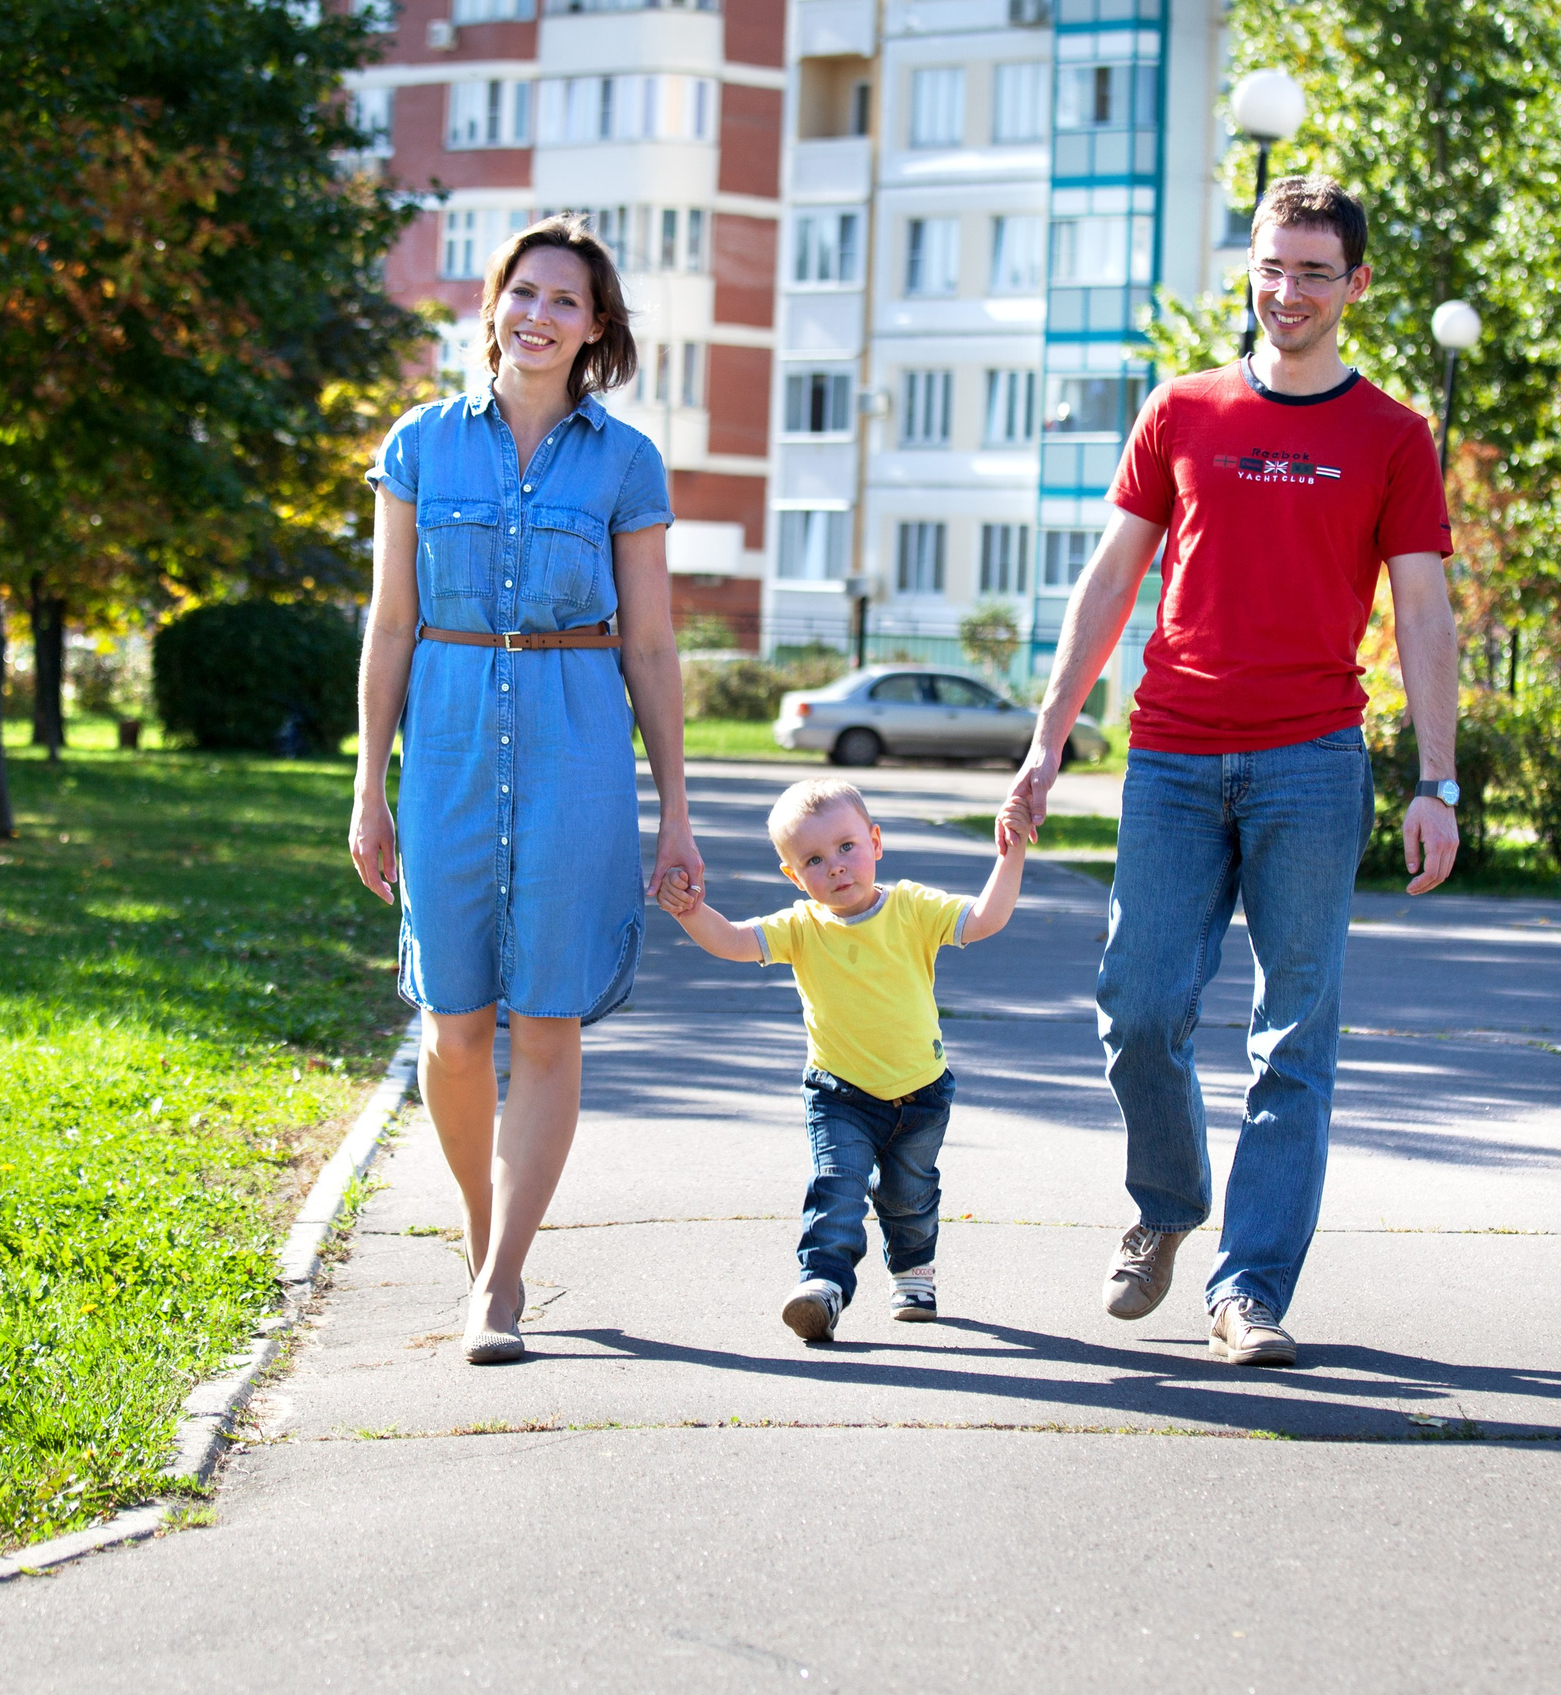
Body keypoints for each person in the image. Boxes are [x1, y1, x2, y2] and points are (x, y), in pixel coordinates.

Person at [999, 175, 1461, 1368]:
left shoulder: (1393, 437)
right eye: (1272, 264)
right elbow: (1108, 583)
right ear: (1246, 269)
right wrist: (1046, 741)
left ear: (1356, 285)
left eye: (1315, 270)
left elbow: (1423, 613)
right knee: (1136, 1011)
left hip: (1311, 761)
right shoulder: (1184, 409)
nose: (1287, 290)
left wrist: (1436, 778)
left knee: (1291, 1038)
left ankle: (1247, 1290)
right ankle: (1165, 1201)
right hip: (1172, 754)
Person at [350, 216, 702, 1366]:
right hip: (445, 743)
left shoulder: (625, 462)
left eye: (568, 302)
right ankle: (479, 1230)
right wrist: (369, 787)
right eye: (526, 294)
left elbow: (649, 649)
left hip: (576, 748)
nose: (540, 317)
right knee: (453, 1029)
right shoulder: (418, 445)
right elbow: (392, 622)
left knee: (544, 1019)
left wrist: (676, 812)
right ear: (494, 304)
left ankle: (500, 1284)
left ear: (595, 328)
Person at [657, 778, 1027, 1342]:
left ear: (875, 842)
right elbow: (731, 940)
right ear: (793, 875)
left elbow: (985, 919)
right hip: (839, 1094)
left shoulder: (911, 907)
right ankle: (822, 1286)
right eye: (813, 859)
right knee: (836, 1184)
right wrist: (690, 911)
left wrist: (1012, 852)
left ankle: (912, 1270)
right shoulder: (801, 927)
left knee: (910, 1193)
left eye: (847, 847)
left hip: (921, 1093)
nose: (836, 866)